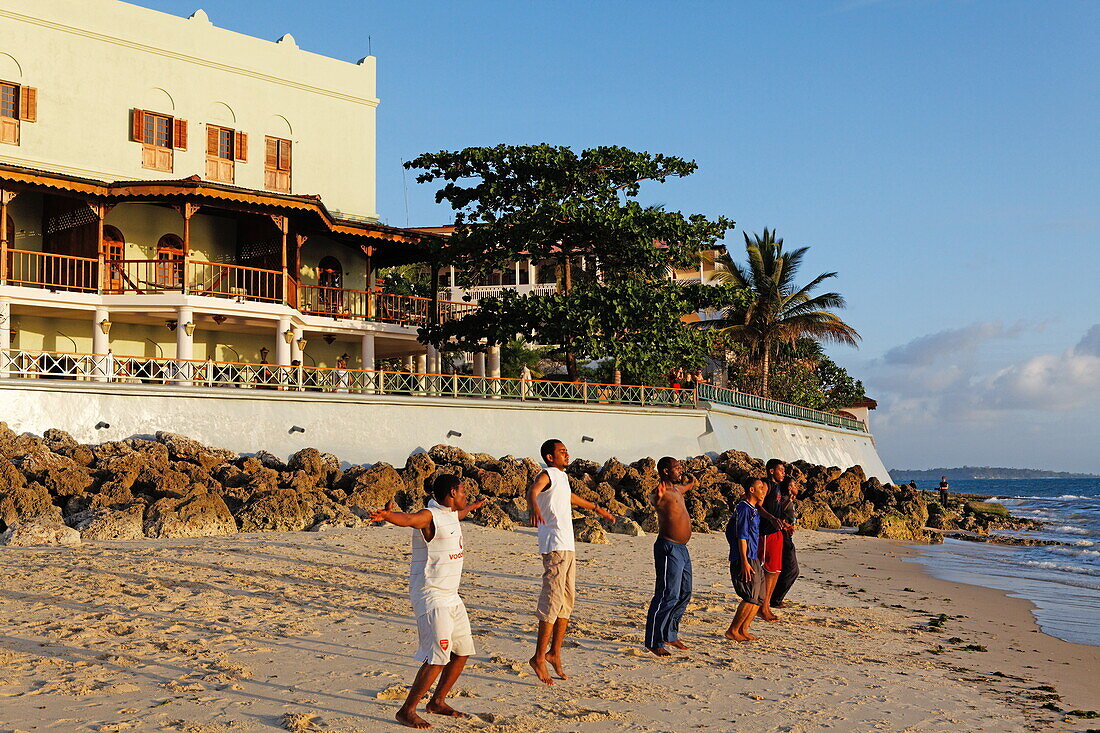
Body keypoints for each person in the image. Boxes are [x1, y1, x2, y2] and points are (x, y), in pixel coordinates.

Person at [368, 475, 489, 729]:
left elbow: (460, 515)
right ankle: (406, 710)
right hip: (431, 595)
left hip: (452, 596)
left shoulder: (451, 513)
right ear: (453, 492)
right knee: (438, 657)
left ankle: (436, 702)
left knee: (462, 651)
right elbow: (410, 519)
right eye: (464, 491)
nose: (466, 495)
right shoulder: (429, 515)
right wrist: (388, 517)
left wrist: (474, 506)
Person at [527, 439, 615, 685]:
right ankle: (538, 658)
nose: (567, 454)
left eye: (566, 451)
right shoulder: (547, 474)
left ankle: (554, 652)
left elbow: (571, 498)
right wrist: (533, 505)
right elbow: (534, 489)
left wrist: (597, 508)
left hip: (568, 546)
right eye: (561, 452)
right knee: (552, 601)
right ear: (549, 457)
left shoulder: (561, 477)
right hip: (554, 546)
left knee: (567, 601)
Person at [645, 457, 697, 656]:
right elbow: (654, 499)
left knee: (685, 592)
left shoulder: (676, 490)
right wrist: (656, 497)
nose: (680, 470)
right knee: (667, 594)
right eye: (677, 468)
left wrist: (690, 483)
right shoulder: (661, 492)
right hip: (668, 547)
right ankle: (654, 641)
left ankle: (670, 634)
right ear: (666, 471)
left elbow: (683, 489)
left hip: (682, 549)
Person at [725, 477, 768, 641]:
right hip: (745, 557)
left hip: (754, 556)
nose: (763, 491)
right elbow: (741, 537)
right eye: (760, 488)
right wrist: (744, 562)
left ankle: (744, 629)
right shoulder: (744, 508)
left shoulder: (754, 509)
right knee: (750, 596)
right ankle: (733, 630)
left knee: (759, 597)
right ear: (751, 490)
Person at [758, 458, 792, 621]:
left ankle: (767, 605)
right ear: (771, 471)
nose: (783, 473)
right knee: (767, 570)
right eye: (780, 470)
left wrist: (783, 524)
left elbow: (776, 509)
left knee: (776, 570)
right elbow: (757, 505)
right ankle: (762, 607)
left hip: (777, 532)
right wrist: (771, 518)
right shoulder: (765, 485)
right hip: (765, 533)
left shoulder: (778, 487)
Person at [771, 479, 801, 609]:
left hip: (786, 536)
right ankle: (775, 599)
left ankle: (775, 598)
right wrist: (788, 500)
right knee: (792, 569)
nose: (796, 487)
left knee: (785, 569)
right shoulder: (783, 499)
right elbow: (777, 513)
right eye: (793, 485)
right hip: (783, 537)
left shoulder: (788, 499)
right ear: (788, 488)